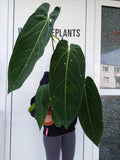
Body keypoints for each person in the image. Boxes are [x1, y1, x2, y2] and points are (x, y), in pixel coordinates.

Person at [29, 71, 77, 160]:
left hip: (69, 128)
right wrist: (39, 115)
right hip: (52, 130)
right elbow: (37, 101)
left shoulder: (72, 77)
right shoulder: (48, 78)